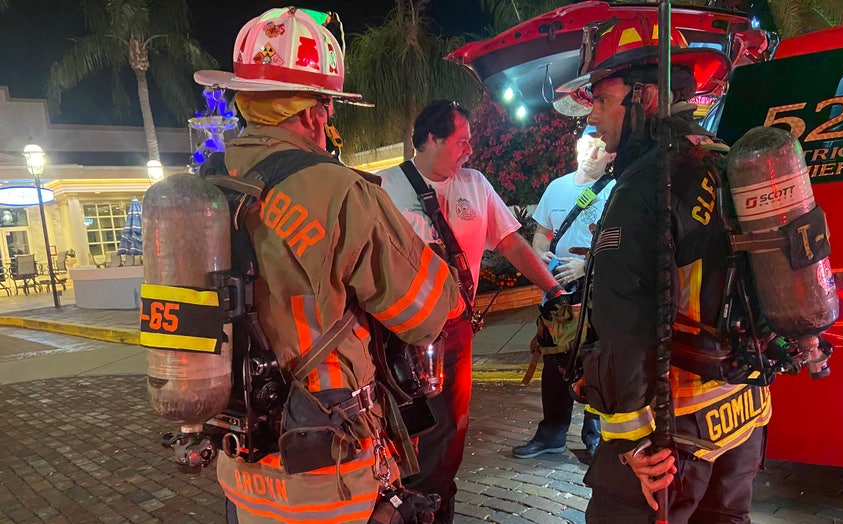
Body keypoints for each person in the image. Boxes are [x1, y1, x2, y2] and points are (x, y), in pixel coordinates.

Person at [193, 8, 459, 523]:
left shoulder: (204, 186)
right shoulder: (340, 192)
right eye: (328, 109)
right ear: (316, 112)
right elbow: (426, 311)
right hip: (326, 472)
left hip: (241, 468)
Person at [554, 20, 771, 523]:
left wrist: (630, 442)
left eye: (603, 100)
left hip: (670, 440)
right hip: (743, 413)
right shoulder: (724, 160)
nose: (594, 120)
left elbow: (624, 322)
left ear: (645, 96)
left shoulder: (646, 186)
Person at [378, 99, 563, 523]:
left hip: (456, 331)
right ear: (430, 139)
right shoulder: (383, 187)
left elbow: (511, 243)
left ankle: (434, 503)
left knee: (451, 425)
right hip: (398, 334)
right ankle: (402, 501)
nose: (470, 150)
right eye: (462, 141)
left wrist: (552, 288)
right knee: (400, 425)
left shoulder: (476, 184)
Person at [512, 125, 614, 463]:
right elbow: (542, 233)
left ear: (610, 154)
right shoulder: (556, 188)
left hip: (598, 292)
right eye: (585, 146)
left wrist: (587, 267)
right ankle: (552, 433)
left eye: (598, 148)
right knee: (556, 361)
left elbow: (623, 244)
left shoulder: (616, 190)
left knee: (597, 361)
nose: (589, 154)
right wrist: (540, 253)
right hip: (558, 291)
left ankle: (596, 437)